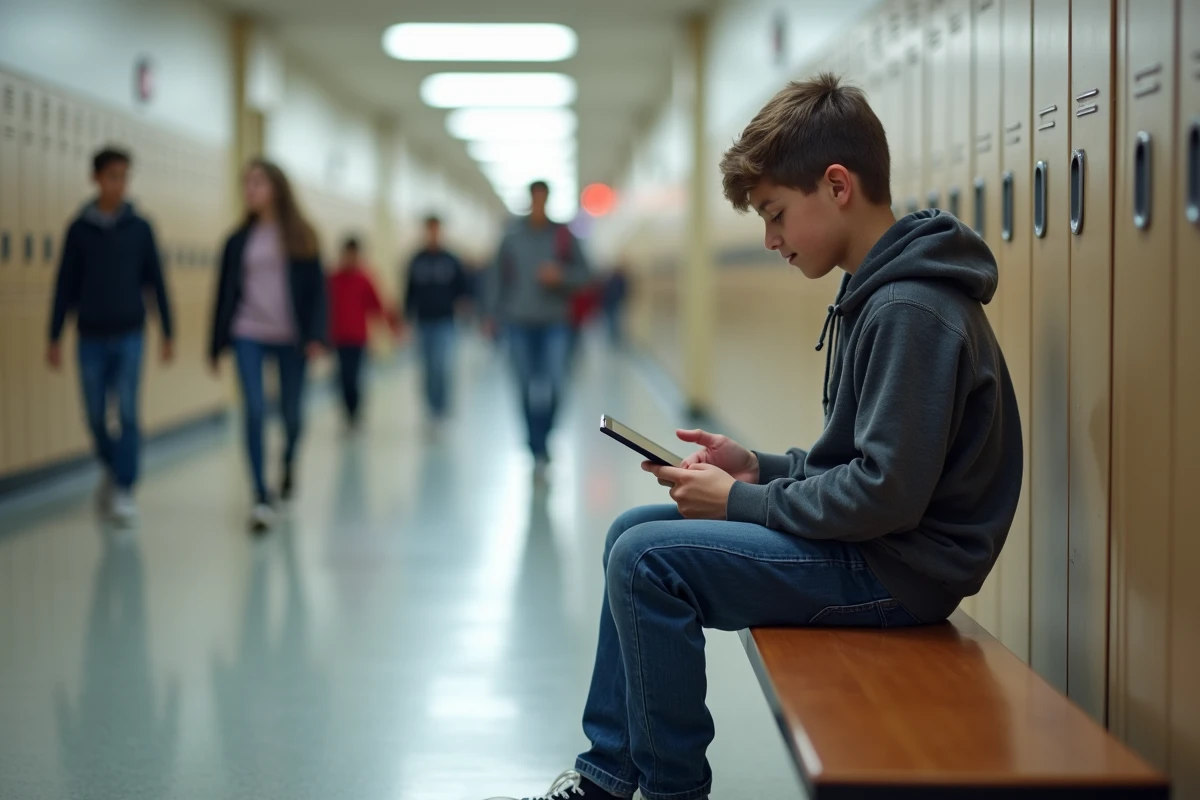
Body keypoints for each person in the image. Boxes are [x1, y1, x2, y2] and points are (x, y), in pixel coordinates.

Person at [486, 73, 1024, 800]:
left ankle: (670, 791)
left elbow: (886, 496)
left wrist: (739, 503)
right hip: (878, 549)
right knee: (628, 534)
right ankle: (606, 779)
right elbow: (860, 464)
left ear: (837, 186)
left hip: (898, 572)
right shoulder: (877, 292)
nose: (770, 239)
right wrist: (758, 469)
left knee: (647, 562)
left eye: (775, 214)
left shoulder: (909, 309)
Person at [47, 147, 174, 525]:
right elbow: (64, 285)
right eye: (112, 177)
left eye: (124, 177)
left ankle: (124, 488)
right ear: (96, 179)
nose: (119, 185)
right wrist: (54, 335)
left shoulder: (141, 228)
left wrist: (168, 331)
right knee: (95, 415)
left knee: (129, 413)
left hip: (131, 334)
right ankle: (113, 466)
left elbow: (156, 281)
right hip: (90, 337)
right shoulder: (79, 229)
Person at [209, 159, 327, 533]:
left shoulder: (302, 236)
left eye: (257, 183)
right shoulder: (237, 240)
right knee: (255, 410)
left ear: (276, 189)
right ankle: (260, 495)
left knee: (292, 415)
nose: (250, 190)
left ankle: (288, 461)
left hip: (292, 337)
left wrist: (317, 336)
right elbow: (223, 293)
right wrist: (215, 344)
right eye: (246, 184)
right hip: (248, 332)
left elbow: (317, 291)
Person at [484, 181, 589, 468]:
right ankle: (535, 444)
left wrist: (561, 276)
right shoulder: (512, 238)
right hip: (518, 322)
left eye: (543, 199)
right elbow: (496, 279)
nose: (539, 205)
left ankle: (544, 435)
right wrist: (491, 315)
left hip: (555, 323)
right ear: (530, 200)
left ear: (548, 200)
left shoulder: (564, 236)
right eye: (535, 199)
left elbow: (586, 274)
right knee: (523, 386)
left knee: (556, 383)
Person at [403, 215, 469, 426]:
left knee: (442, 365)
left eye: (436, 230)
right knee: (428, 367)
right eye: (430, 230)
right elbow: (409, 292)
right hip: (423, 321)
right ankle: (431, 407)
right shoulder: (417, 260)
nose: (433, 234)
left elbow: (463, 288)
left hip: (445, 321)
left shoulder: (451, 260)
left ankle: (441, 407)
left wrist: (464, 305)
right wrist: (406, 318)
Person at [328, 236, 398, 429]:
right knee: (343, 377)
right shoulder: (333, 279)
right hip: (339, 337)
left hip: (358, 338)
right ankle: (347, 412)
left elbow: (377, 305)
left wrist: (393, 327)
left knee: (355, 377)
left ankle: (355, 412)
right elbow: (323, 307)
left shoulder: (364, 279)